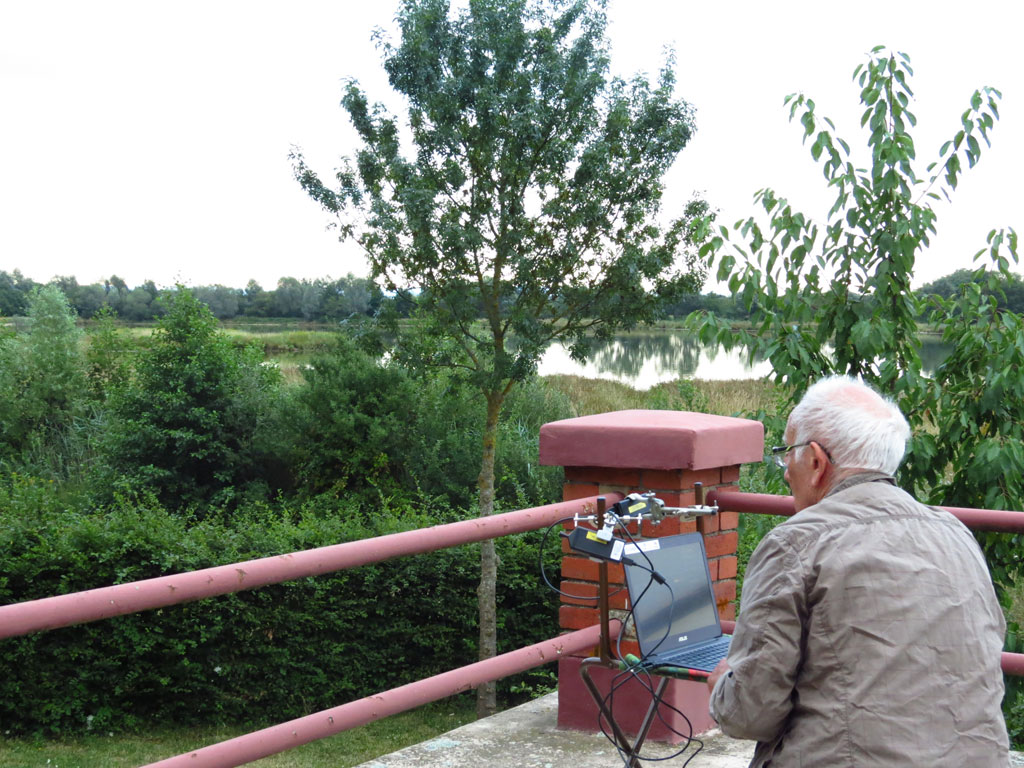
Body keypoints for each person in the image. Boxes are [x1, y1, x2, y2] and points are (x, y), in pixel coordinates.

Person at [707, 375, 1009, 767]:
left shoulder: (795, 543)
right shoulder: (957, 534)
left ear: (816, 461)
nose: (785, 471)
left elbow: (751, 713)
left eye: (787, 454)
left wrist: (722, 690)